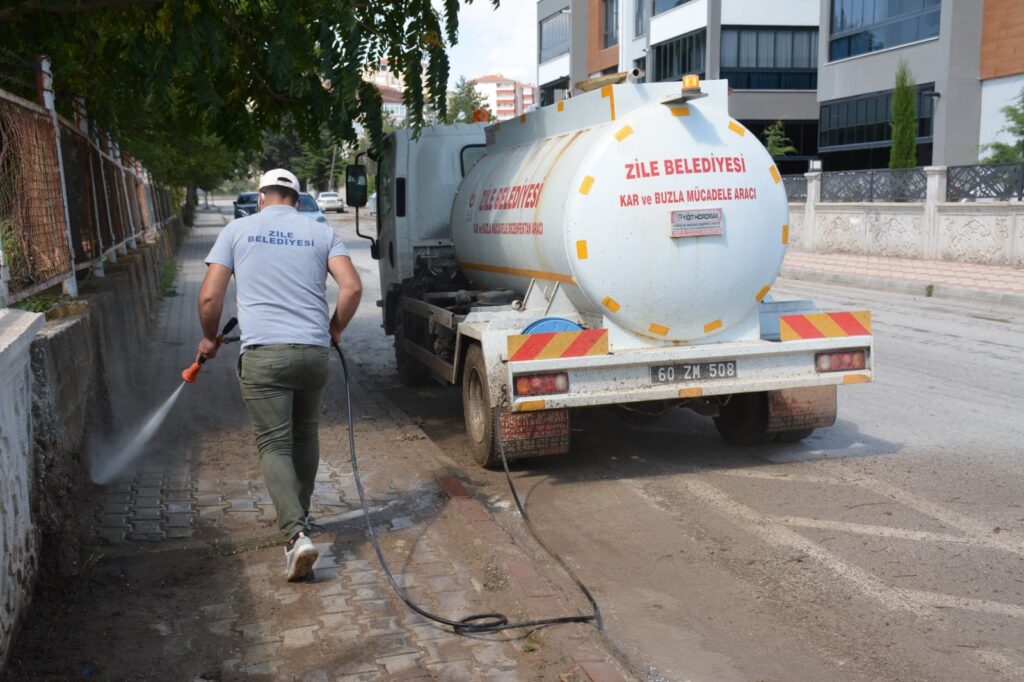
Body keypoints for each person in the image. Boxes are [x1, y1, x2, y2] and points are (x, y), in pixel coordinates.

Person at [195, 168, 362, 581]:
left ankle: (295, 535)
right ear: (298, 198)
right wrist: (335, 328)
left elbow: (210, 295)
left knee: (274, 443)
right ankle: (300, 520)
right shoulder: (320, 233)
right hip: (313, 353)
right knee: (304, 434)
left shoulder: (238, 230)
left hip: (265, 355)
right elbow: (352, 288)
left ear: (261, 196)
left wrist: (208, 338)